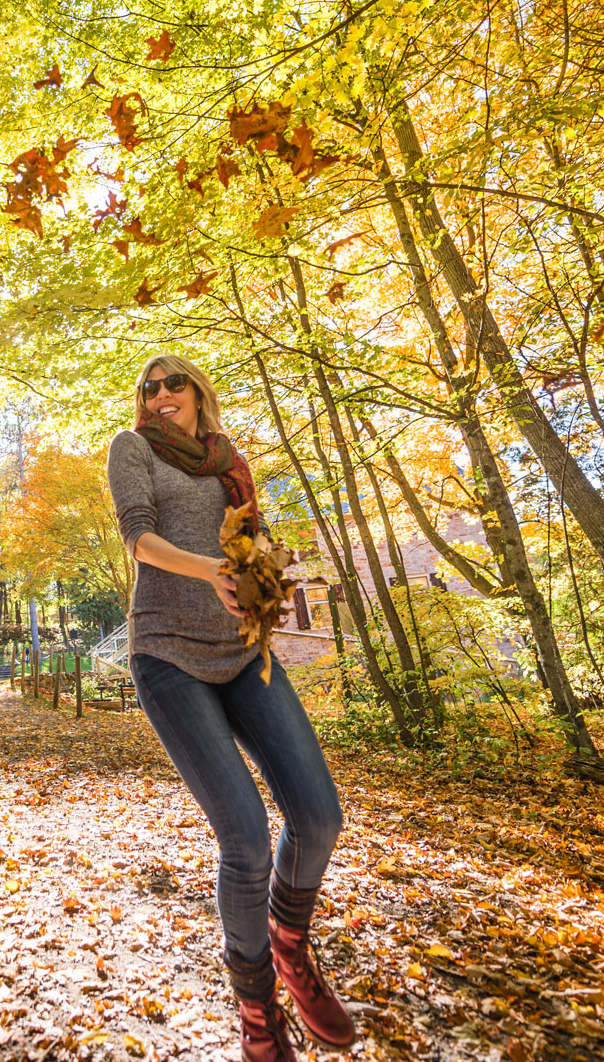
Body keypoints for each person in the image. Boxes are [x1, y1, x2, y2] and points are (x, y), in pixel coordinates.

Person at [105, 356, 356, 1062]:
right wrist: (208, 569)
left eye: (172, 384)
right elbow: (138, 539)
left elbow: (250, 539)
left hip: (245, 652)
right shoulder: (132, 450)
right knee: (244, 839)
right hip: (168, 657)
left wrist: (266, 569)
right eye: (147, 388)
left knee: (318, 816)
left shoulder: (229, 462)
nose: (159, 396)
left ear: (196, 395)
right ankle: (256, 1007)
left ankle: (289, 944)